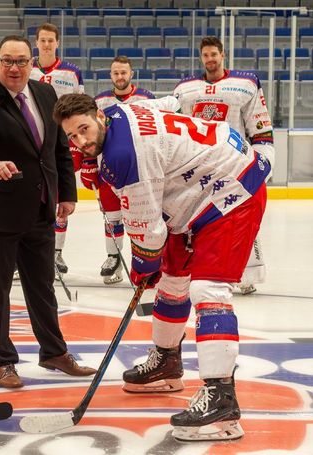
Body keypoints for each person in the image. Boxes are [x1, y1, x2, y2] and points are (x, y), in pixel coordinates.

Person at [53, 93, 269, 441]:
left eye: (84, 130)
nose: (81, 141)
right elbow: (168, 105)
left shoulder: (123, 156)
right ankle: (167, 362)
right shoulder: (119, 111)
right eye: (73, 137)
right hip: (200, 190)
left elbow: (149, 233)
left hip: (233, 190)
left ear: (98, 115)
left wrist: (141, 268)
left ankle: (222, 401)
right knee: (172, 280)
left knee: (207, 289)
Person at [0, 35, 96, 390]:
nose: (14, 68)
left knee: (42, 287)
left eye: (21, 61)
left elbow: (59, 150)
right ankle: (3, 361)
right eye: (7, 61)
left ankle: (54, 352)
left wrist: (66, 193)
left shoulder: (47, 95)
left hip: (40, 209)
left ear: (32, 63)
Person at [173, 36, 274, 295]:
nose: (210, 59)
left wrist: (264, 162)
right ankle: (205, 269)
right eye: (205, 55)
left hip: (235, 162)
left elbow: (259, 126)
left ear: (222, 55)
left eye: (214, 55)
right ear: (201, 57)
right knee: (204, 218)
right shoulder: (186, 88)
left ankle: (248, 273)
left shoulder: (245, 83)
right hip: (200, 164)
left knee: (241, 216)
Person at [91, 56, 156, 285]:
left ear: (131, 74)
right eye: (116, 73)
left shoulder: (146, 99)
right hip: (108, 168)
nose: (120, 77)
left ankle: (147, 262)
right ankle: (113, 258)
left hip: (141, 170)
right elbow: (91, 135)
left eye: (124, 73)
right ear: (111, 75)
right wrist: (89, 165)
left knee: (143, 218)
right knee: (112, 216)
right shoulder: (99, 101)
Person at [29, 22, 84, 276]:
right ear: (36, 42)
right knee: (32, 196)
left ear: (57, 43)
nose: (47, 44)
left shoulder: (71, 73)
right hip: (31, 143)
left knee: (60, 197)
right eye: (43, 40)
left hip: (61, 145)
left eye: (51, 40)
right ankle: (28, 253)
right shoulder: (26, 69)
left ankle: (56, 252)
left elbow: (80, 108)